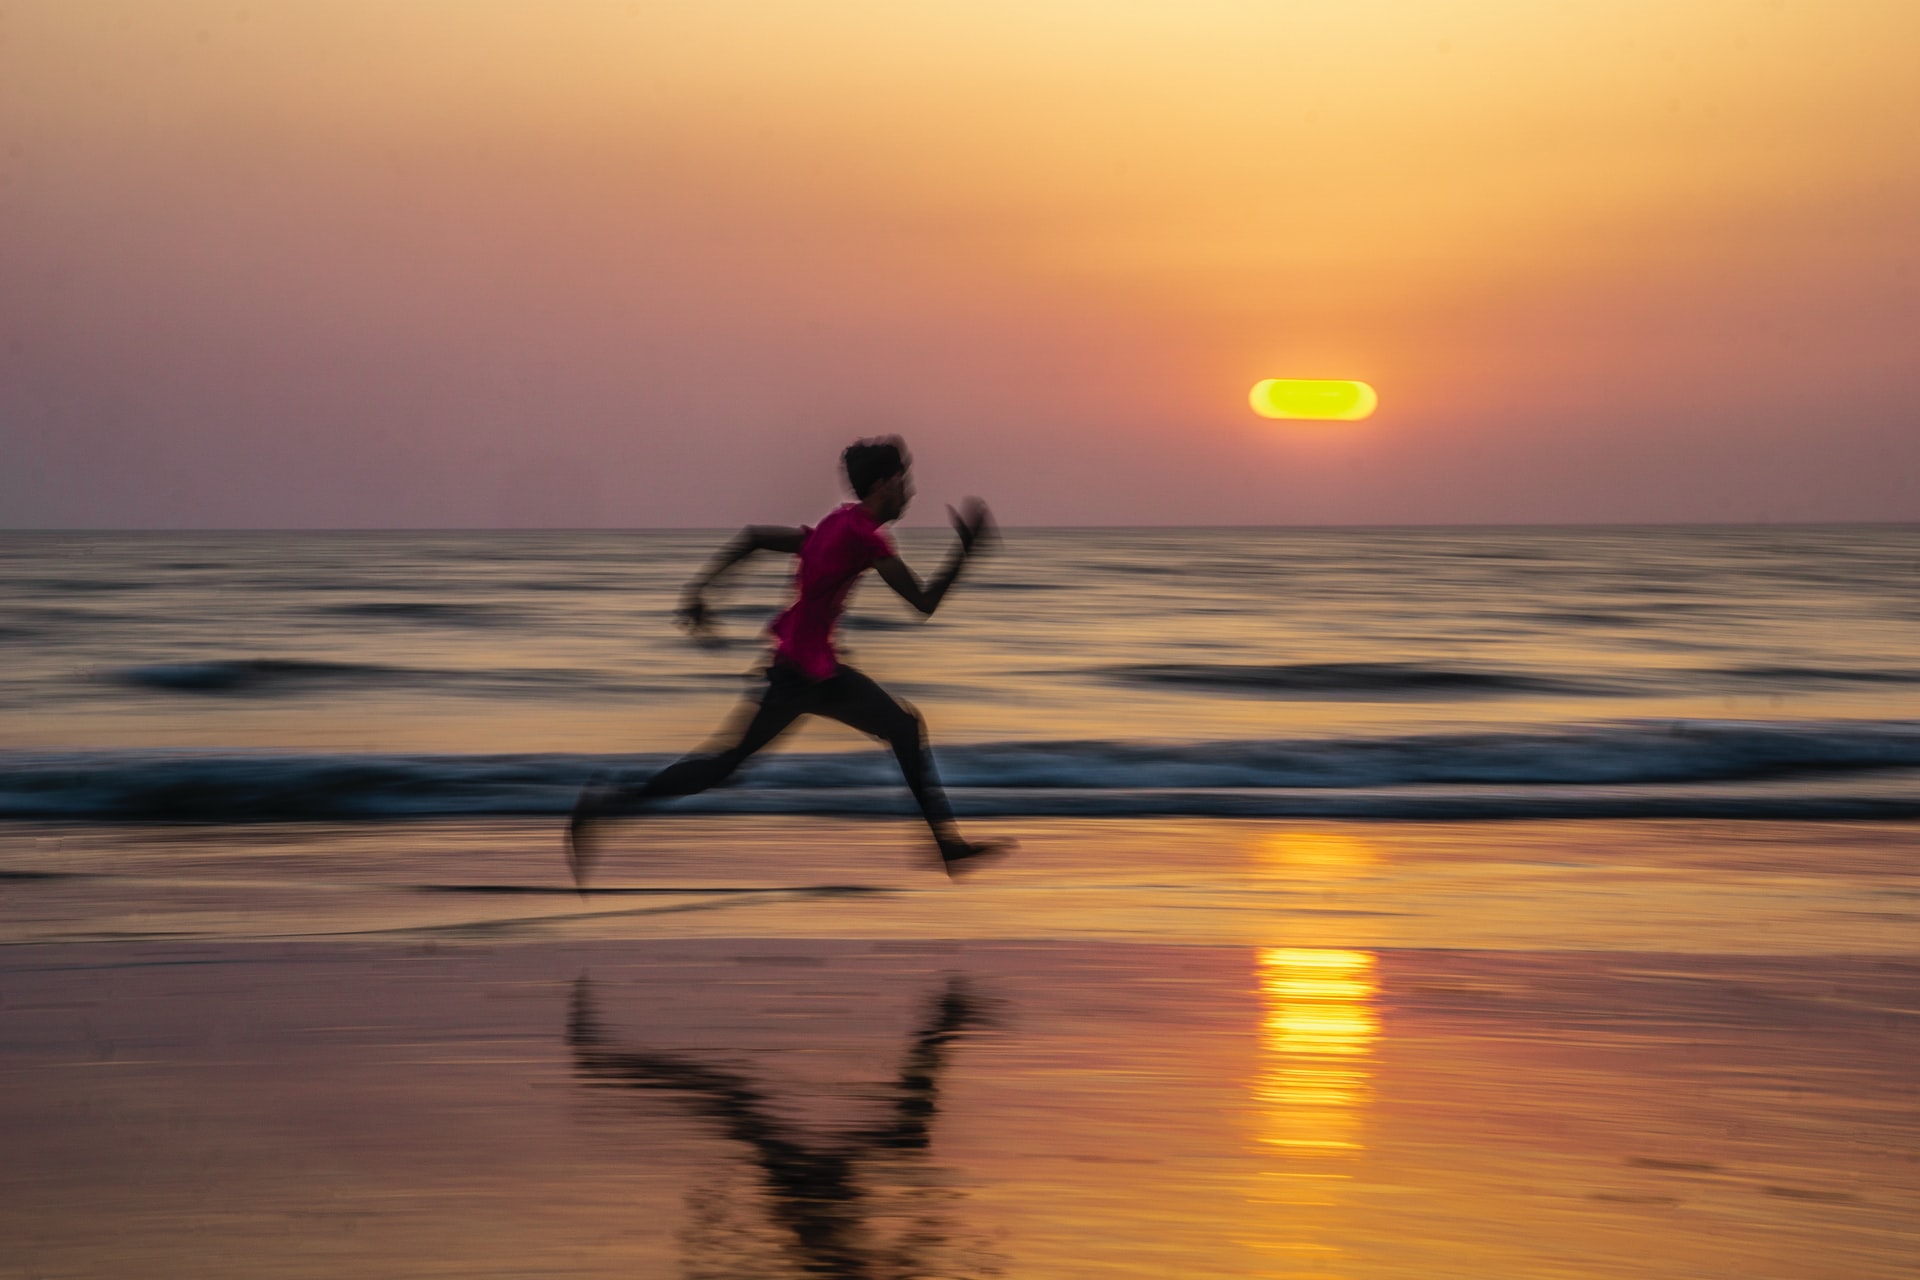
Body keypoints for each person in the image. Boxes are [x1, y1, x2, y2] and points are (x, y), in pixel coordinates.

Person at [567, 436, 1010, 886]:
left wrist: (701, 591)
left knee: (899, 727)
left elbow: (754, 538)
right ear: (882, 484)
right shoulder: (865, 536)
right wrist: (965, 553)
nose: (911, 492)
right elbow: (923, 603)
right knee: (728, 763)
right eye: (904, 481)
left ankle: (947, 846)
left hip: (814, 669)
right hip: (801, 674)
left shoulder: (839, 524)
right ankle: (606, 806)